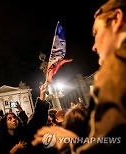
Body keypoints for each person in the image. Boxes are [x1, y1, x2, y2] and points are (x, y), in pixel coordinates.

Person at [32, 0, 126, 153]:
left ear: (117, 19)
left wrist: (67, 142)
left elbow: (109, 142)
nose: (94, 46)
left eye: (96, 33)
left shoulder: (117, 66)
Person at [0, 82, 50, 154]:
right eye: (9, 119)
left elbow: (37, 120)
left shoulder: (25, 132)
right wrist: (15, 149)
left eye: (14, 117)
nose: (14, 119)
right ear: (4, 124)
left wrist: (41, 97)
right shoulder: (0, 141)